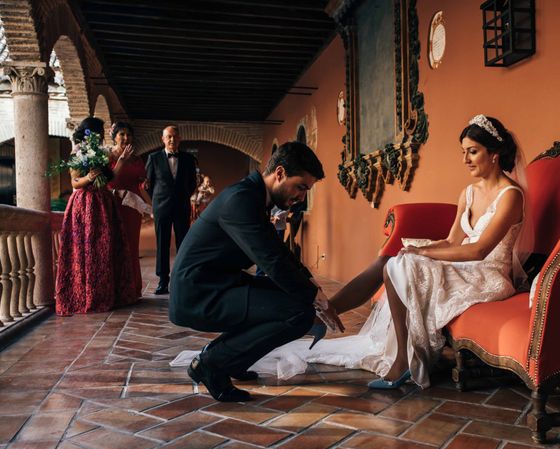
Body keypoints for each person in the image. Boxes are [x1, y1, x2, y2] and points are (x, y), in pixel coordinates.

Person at [252, 115, 531, 389]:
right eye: (463, 152)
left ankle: (401, 359)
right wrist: (418, 249)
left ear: (494, 154)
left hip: (487, 274)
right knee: (399, 260)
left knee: (402, 265)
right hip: (466, 263)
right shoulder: (468, 193)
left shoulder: (511, 195)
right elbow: (450, 241)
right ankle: (391, 349)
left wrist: (425, 255)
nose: (465, 160)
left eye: (473, 152)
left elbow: (480, 250)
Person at [169, 141, 343, 402]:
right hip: (200, 293)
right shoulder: (240, 200)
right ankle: (212, 363)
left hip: (220, 284)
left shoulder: (253, 196)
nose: (301, 197)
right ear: (280, 173)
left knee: (296, 304)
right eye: (301, 187)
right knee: (297, 312)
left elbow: (279, 251)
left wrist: (311, 285)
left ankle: (233, 361)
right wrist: (316, 298)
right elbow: (271, 261)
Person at [55, 117, 137, 316]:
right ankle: (86, 295)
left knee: (105, 249)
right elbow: (75, 182)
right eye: (99, 131)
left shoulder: (100, 153)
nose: (101, 136)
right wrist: (89, 177)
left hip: (103, 203)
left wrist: (122, 161)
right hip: (84, 205)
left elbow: (110, 178)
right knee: (87, 249)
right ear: (88, 132)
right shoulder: (78, 152)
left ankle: (105, 294)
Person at [146, 125, 198, 295]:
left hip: (182, 206)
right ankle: (163, 281)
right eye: (168, 137)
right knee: (162, 243)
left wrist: (181, 196)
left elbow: (192, 184)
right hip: (161, 207)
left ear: (179, 138)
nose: (172, 140)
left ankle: (182, 279)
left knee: (183, 243)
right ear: (163, 139)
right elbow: (149, 184)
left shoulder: (189, 159)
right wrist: (158, 198)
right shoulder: (153, 158)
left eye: (175, 136)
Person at [108, 121, 149, 298]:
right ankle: (114, 289)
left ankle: (132, 288)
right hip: (113, 204)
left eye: (129, 134)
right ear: (114, 136)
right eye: (122, 134)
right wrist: (121, 160)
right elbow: (108, 181)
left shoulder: (137, 158)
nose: (126, 138)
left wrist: (145, 186)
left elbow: (140, 183)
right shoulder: (107, 157)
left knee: (132, 245)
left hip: (132, 207)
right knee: (113, 245)